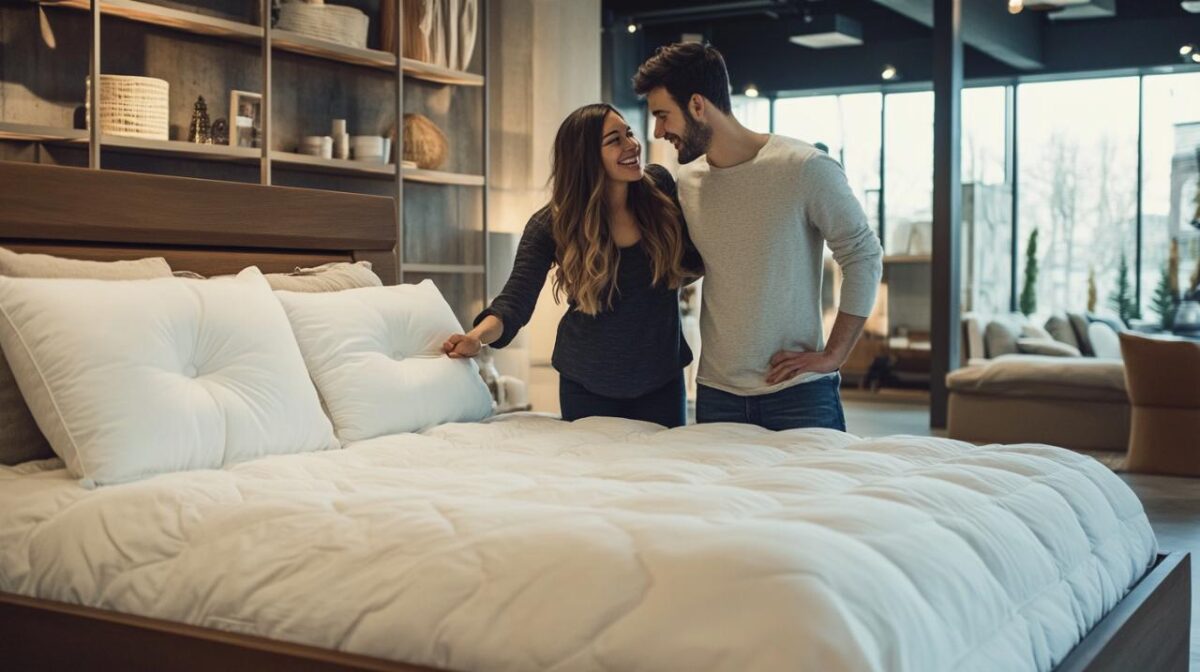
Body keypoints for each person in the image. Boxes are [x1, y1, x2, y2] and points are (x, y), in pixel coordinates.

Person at [632, 42, 883, 432]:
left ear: (697, 105)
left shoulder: (804, 168)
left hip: (799, 394)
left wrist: (834, 355)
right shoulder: (688, 181)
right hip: (716, 394)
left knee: (816, 496)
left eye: (663, 116)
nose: (658, 131)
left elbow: (863, 255)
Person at [442, 103, 701, 428]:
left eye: (629, 134)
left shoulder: (659, 189)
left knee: (661, 477)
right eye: (615, 140)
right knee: (594, 475)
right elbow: (514, 302)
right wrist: (476, 339)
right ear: (586, 157)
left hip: (661, 381)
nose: (632, 145)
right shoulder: (552, 223)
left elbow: (698, 257)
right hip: (588, 385)